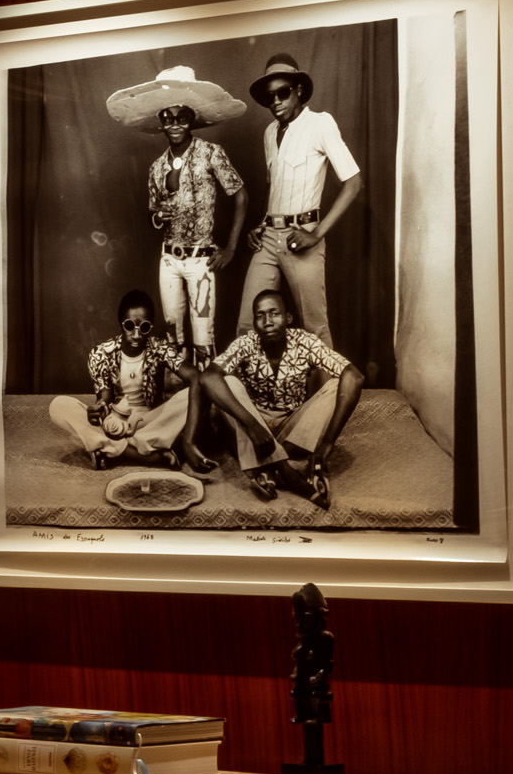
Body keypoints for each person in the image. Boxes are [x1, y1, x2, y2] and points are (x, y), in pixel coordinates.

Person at [104, 63, 244, 356]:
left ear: (191, 119)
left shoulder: (210, 153)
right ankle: (177, 385)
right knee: (172, 336)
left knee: (203, 338)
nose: (175, 123)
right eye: (168, 118)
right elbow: (151, 213)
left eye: (182, 117)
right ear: (161, 122)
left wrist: (230, 249)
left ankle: (205, 386)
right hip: (169, 260)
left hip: (201, 259)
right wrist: (157, 216)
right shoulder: (157, 167)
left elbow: (241, 196)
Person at [238, 53, 361, 342]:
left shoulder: (320, 124)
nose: (276, 101)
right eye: (270, 96)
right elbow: (274, 185)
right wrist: (261, 224)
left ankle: (326, 376)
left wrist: (316, 234)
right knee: (248, 325)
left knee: (314, 328)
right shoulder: (270, 132)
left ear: (299, 90)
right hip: (269, 237)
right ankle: (252, 375)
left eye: (283, 93)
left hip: (301, 235)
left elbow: (354, 183)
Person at [210, 288, 360, 506]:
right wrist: (252, 425)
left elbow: (354, 377)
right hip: (255, 429)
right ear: (254, 323)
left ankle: (266, 464)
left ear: (288, 318)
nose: (267, 322)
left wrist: (328, 443)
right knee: (228, 382)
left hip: (293, 430)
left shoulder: (305, 341)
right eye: (260, 316)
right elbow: (208, 377)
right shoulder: (246, 343)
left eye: (274, 313)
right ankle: (287, 472)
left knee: (338, 384)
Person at [47, 288, 206, 474]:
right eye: (130, 326)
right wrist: (97, 410)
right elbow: (104, 398)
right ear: (120, 325)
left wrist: (189, 439)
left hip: (151, 421)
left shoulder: (159, 347)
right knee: (59, 405)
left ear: (150, 327)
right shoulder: (101, 353)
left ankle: (111, 449)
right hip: (117, 423)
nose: (137, 335)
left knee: (200, 391)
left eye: (144, 327)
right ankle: (145, 455)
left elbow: (195, 376)